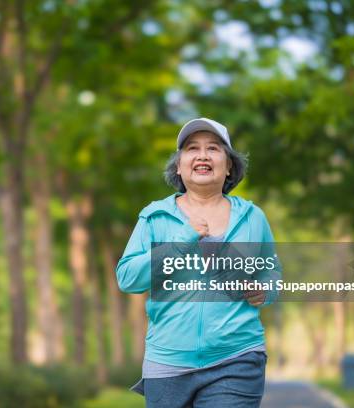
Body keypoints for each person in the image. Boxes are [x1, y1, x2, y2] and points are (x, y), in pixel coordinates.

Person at [116, 118, 281, 407]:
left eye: (213, 149)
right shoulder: (155, 217)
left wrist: (265, 291)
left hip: (237, 357)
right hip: (167, 362)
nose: (202, 155)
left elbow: (272, 272)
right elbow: (128, 278)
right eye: (192, 148)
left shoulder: (253, 218)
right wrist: (180, 242)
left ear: (229, 166)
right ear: (179, 166)